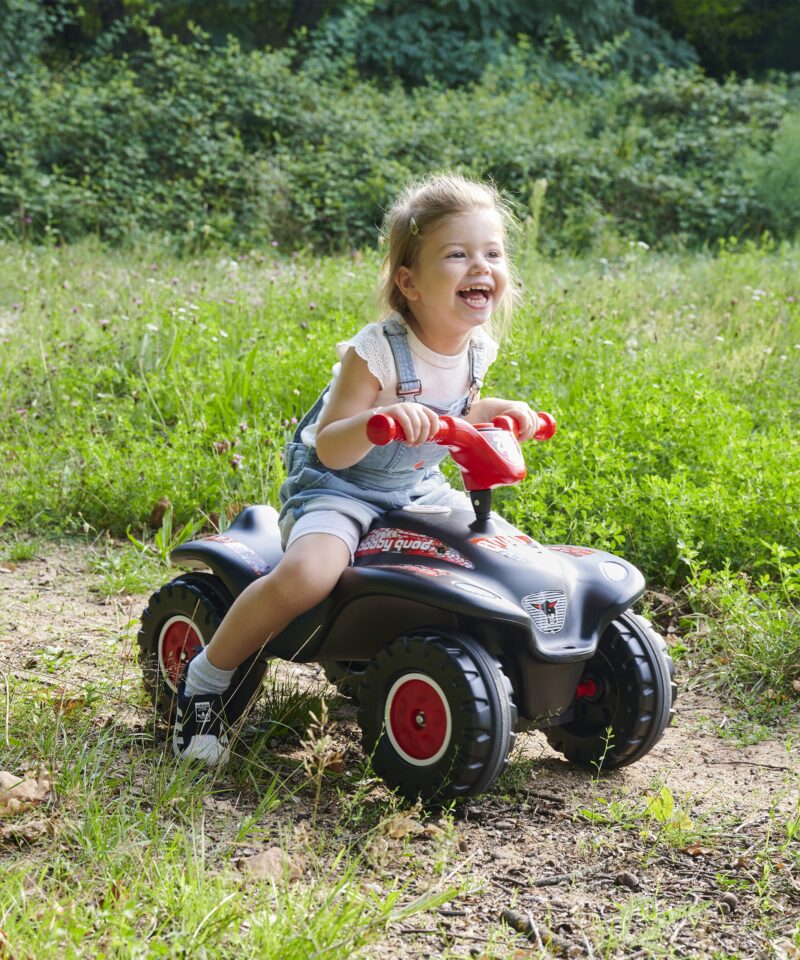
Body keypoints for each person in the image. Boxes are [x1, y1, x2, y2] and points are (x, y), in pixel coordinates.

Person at [173, 172, 541, 764]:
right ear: (410, 281)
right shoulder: (376, 351)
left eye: (492, 253)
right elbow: (332, 445)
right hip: (339, 489)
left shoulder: (475, 346)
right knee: (309, 575)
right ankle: (208, 679)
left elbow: (460, 409)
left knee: (495, 550)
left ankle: (490, 666)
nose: (481, 267)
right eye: (457, 254)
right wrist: (386, 415)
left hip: (416, 485)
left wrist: (503, 413)